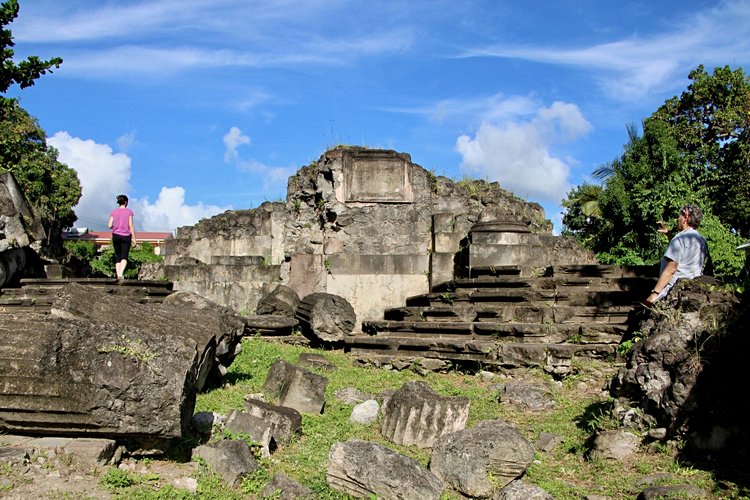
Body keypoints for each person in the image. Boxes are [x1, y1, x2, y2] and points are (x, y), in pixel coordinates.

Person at [644, 204, 708, 306]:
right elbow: (684, 254)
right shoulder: (702, 240)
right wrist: (669, 236)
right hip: (693, 287)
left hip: (673, 289)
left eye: (680, 216)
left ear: (686, 218)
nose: (678, 219)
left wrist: (654, 293)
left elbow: (671, 269)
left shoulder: (679, 238)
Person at [107, 194, 137, 280]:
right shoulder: (129, 212)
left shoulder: (113, 212)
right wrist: (134, 239)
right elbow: (131, 225)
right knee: (124, 256)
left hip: (116, 235)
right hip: (126, 236)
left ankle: (118, 274)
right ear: (126, 202)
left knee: (118, 256)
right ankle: (120, 274)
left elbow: (109, 225)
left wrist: (115, 228)